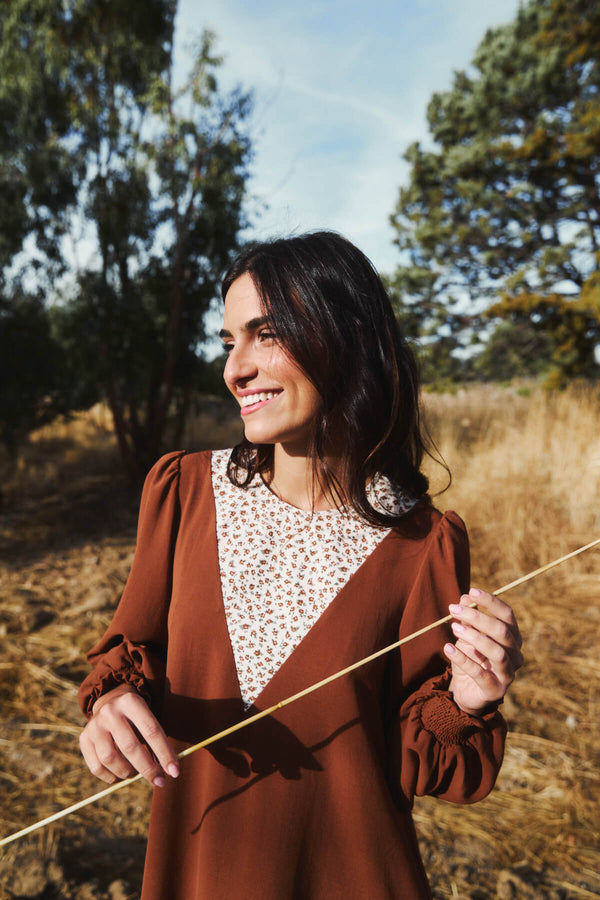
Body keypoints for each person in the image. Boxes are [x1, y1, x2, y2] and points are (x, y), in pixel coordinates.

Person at [79, 231, 523, 899]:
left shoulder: (423, 543)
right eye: (230, 342)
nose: (235, 368)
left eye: (266, 333)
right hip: (196, 876)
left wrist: (469, 698)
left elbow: (421, 760)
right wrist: (111, 705)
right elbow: (126, 654)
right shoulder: (182, 493)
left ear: (344, 337)